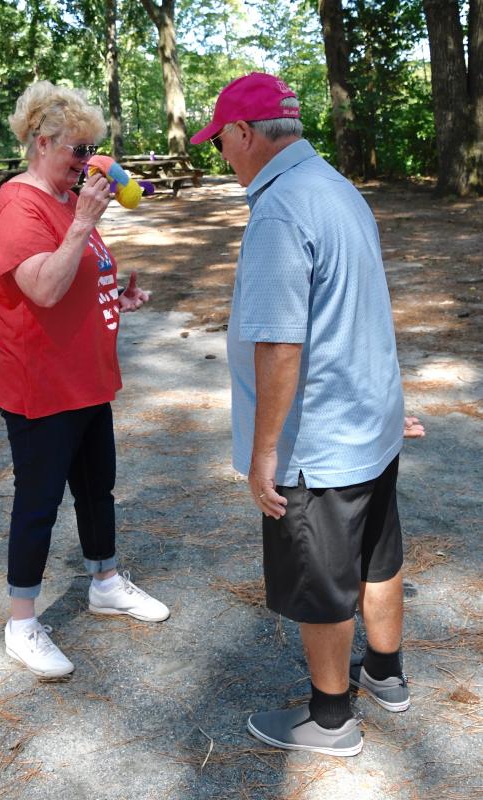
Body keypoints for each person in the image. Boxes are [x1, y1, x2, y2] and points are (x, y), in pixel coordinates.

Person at [191, 72, 423, 757]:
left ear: (243, 133)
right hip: (366, 425)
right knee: (377, 555)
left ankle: (330, 720)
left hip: (318, 442)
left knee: (321, 577)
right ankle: (386, 674)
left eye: (222, 143)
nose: (223, 158)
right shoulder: (337, 188)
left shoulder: (279, 210)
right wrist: (390, 402)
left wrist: (265, 455)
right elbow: (366, 309)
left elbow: (280, 343)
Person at [0, 81, 169, 680]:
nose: (89, 164)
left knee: (97, 488)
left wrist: (116, 296)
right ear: (42, 142)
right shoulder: (19, 206)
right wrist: (85, 219)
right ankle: (22, 623)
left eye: (93, 151)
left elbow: (76, 283)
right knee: (38, 503)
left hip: (87, 376)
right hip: (41, 383)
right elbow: (42, 288)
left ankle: (105, 581)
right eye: (78, 151)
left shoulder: (64, 197)